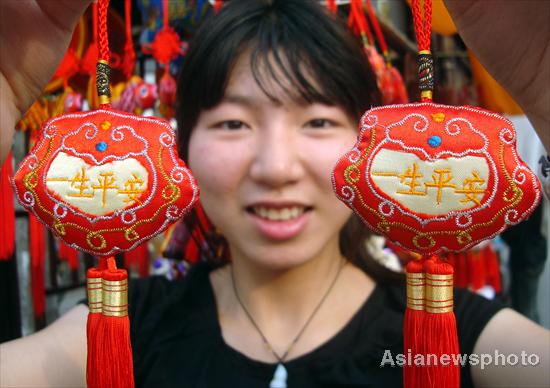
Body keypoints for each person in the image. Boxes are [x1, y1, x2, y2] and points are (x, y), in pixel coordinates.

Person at [0, 0, 549, 387]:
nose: (276, 167)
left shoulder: (468, 339)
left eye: (316, 122)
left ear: (368, 143)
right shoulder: (112, 332)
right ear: (181, 146)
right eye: (234, 124)